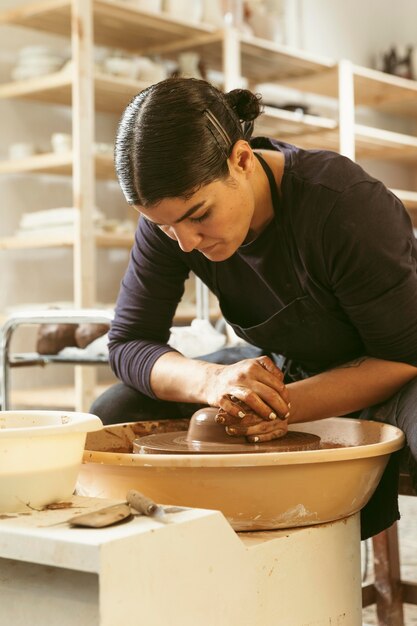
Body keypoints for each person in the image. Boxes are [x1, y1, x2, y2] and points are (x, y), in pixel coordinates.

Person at [91, 77, 417, 538]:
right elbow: (128, 343)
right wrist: (214, 382)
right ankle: (175, 575)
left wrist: (276, 407)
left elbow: (403, 355)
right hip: (290, 367)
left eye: (199, 215)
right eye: (164, 227)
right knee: (115, 408)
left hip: (393, 373)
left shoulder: (344, 205)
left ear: (242, 159)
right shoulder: (172, 223)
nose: (186, 242)